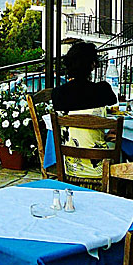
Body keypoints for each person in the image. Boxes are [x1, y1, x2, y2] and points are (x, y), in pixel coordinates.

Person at [51, 42, 118, 179]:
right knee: (125, 148)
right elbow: (113, 101)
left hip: (70, 164)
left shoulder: (58, 94)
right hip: (100, 166)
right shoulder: (102, 90)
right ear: (92, 65)